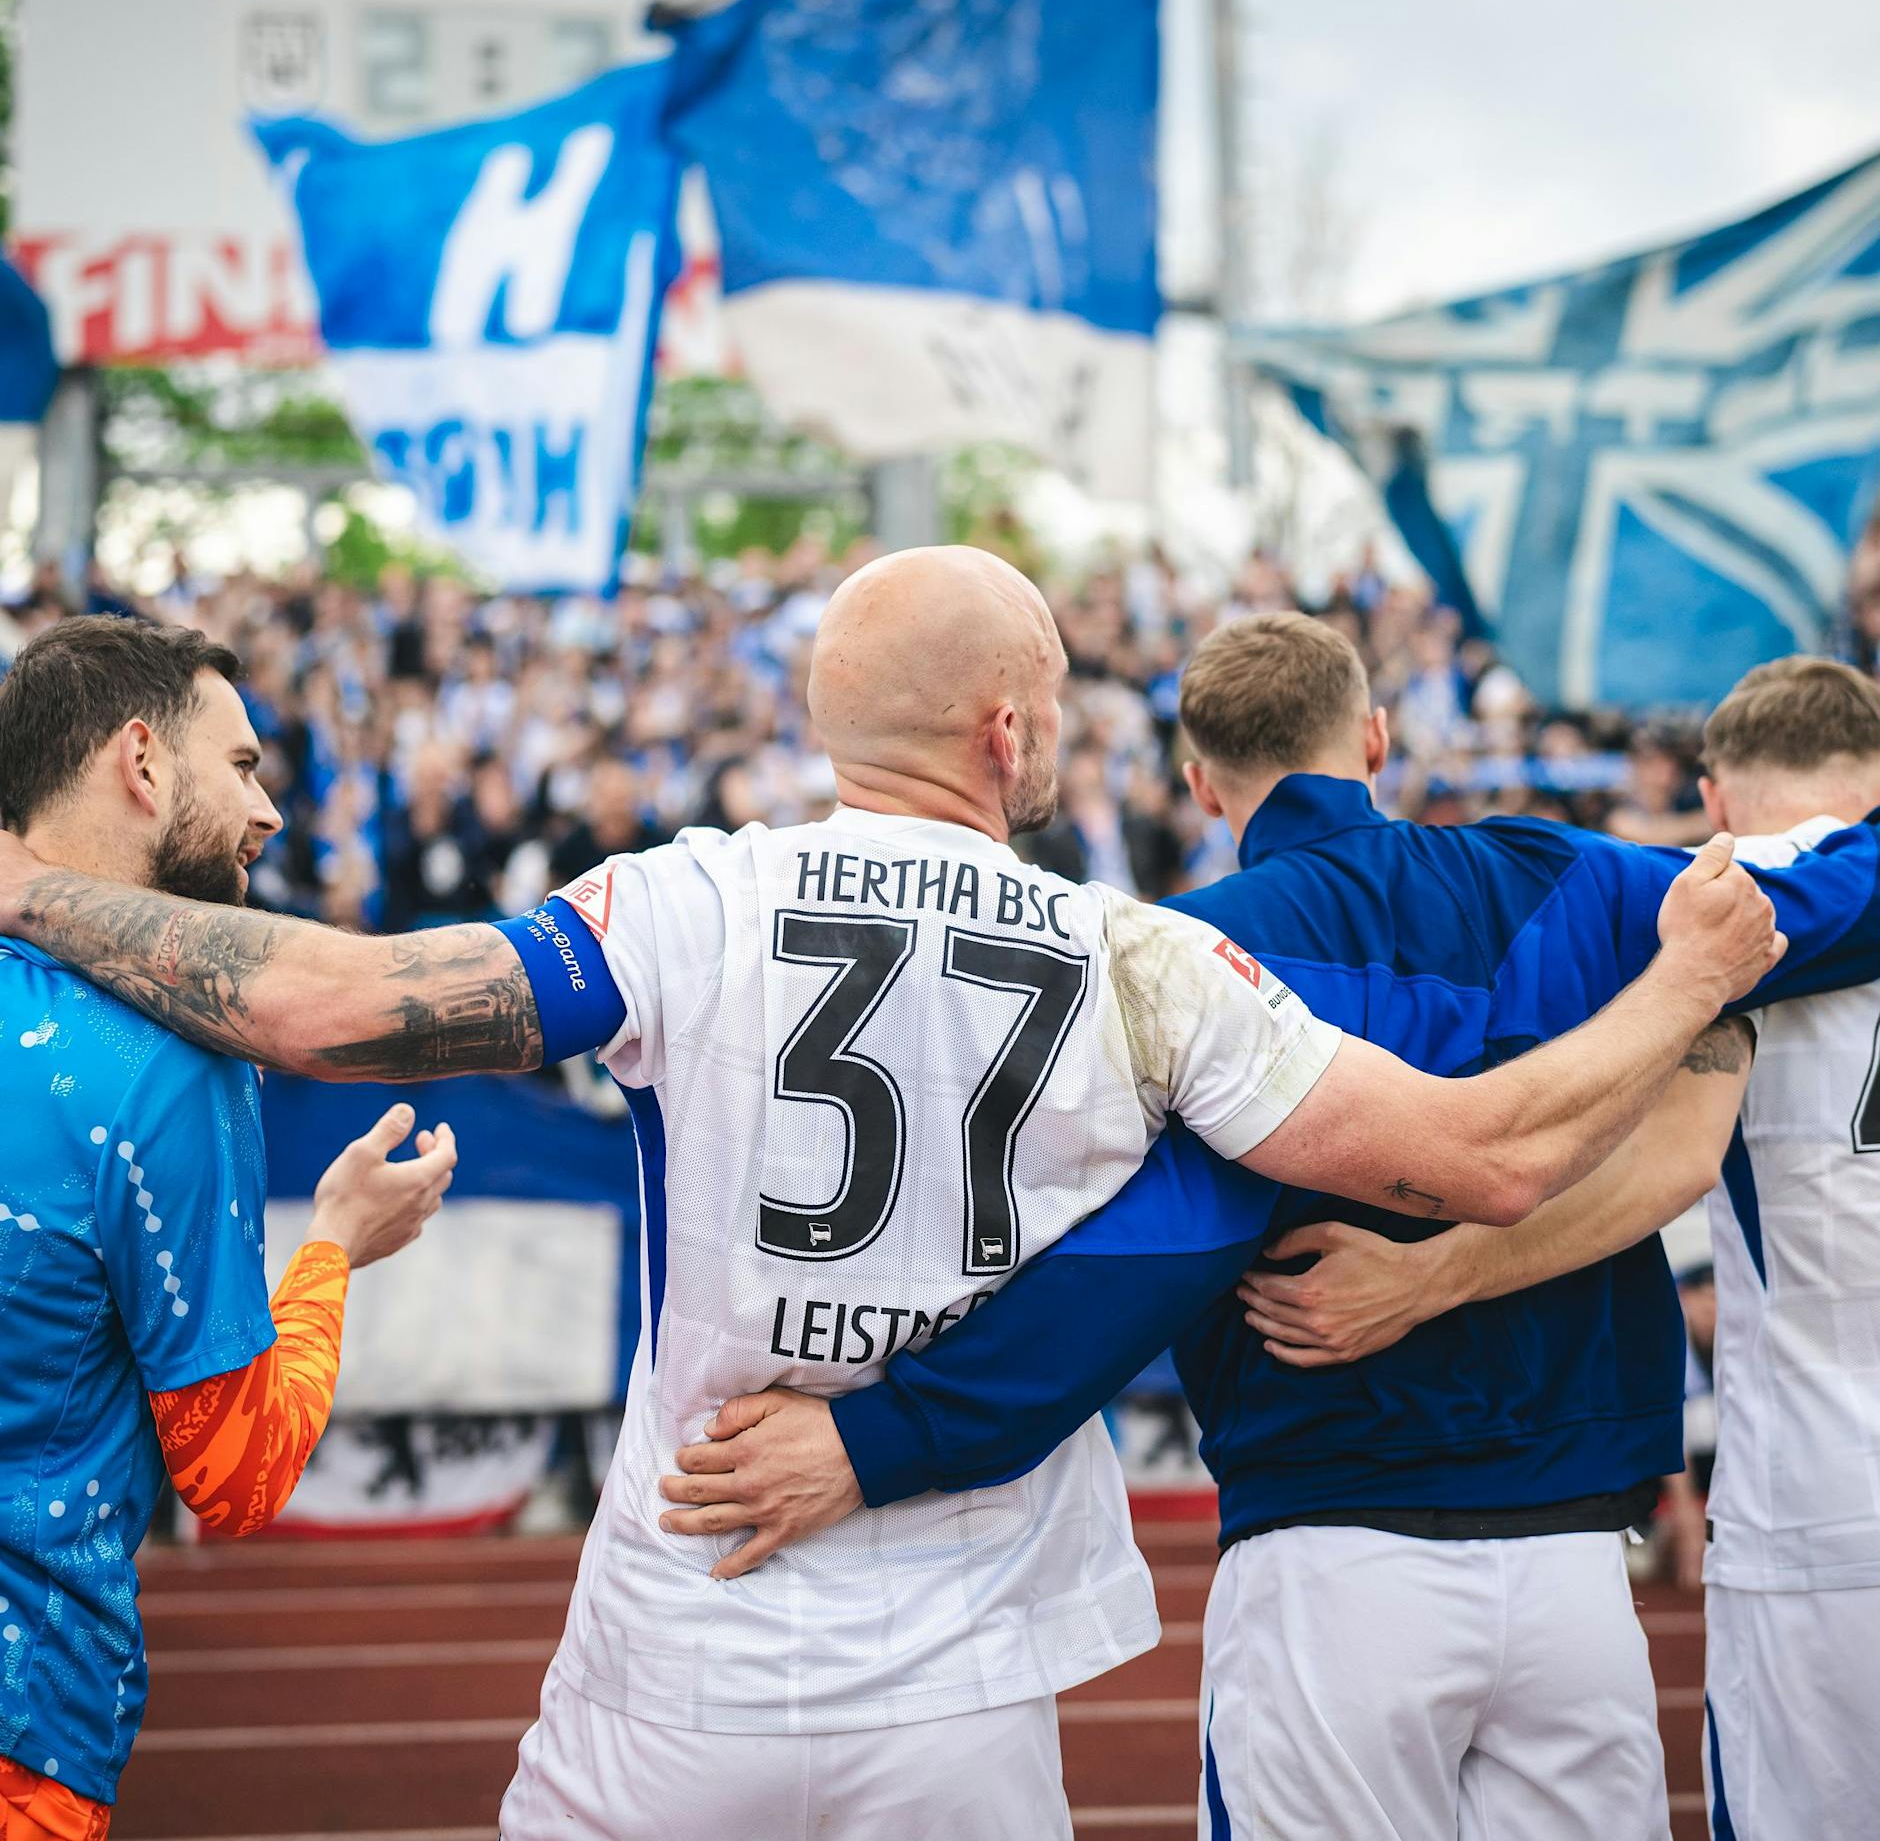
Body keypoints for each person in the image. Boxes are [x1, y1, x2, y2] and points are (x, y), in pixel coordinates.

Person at [0, 553, 1779, 1841]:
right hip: (961, 1681)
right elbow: (1484, 1155)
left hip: (681, 1631)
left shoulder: (686, 898)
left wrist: (33, 893)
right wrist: (1683, 983)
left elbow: (326, 1007)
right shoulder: (1138, 954)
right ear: (1009, 733)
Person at [662, 616, 1880, 1841]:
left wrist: (881, 1436)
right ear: (1373, 737)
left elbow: (1132, 1262)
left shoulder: (1180, 950)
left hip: (1328, 1550)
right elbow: (1831, 895)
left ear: (1198, 780)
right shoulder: (1575, 876)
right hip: (1572, 1570)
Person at [1228, 657, 1880, 1841]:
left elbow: (1668, 1164)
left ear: (1715, 795)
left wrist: (1437, 1272)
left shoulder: (1730, 901)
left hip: (1824, 1505)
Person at [0, 617, 458, 1838]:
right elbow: (237, 1473)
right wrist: (332, 1249)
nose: (268, 813)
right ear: (142, 766)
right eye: (244, 767)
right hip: (24, 1723)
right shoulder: (169, 1060)